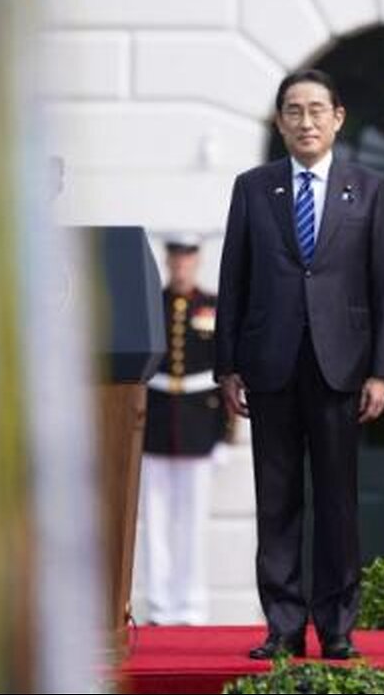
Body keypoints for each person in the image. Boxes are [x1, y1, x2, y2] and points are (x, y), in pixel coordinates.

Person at [214, 69, 384, 660]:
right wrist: (227, 366)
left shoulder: (368, 189)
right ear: (279, 121)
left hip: (341, 367)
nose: (306, 121)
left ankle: (338, 626)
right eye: (294, 110)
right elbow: (233, 280)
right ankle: (284, 625)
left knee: (338, 501)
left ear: (338, 117)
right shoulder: (252, 188)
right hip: (269, 366)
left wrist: (381, 371)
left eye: (317, 109)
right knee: (277, 499)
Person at [139, 234, 226, 625]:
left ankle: (190, 604)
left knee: (192, 521)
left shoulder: (212, 306)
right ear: (168, 260)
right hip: (156, 426)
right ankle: (159, 604)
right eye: (175, 260)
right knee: (155, 521)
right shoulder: (150, 305)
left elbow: (225, 375)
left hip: (198, 427)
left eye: (187, 260)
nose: (180, 267)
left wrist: (225, 436)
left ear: (197, 261)